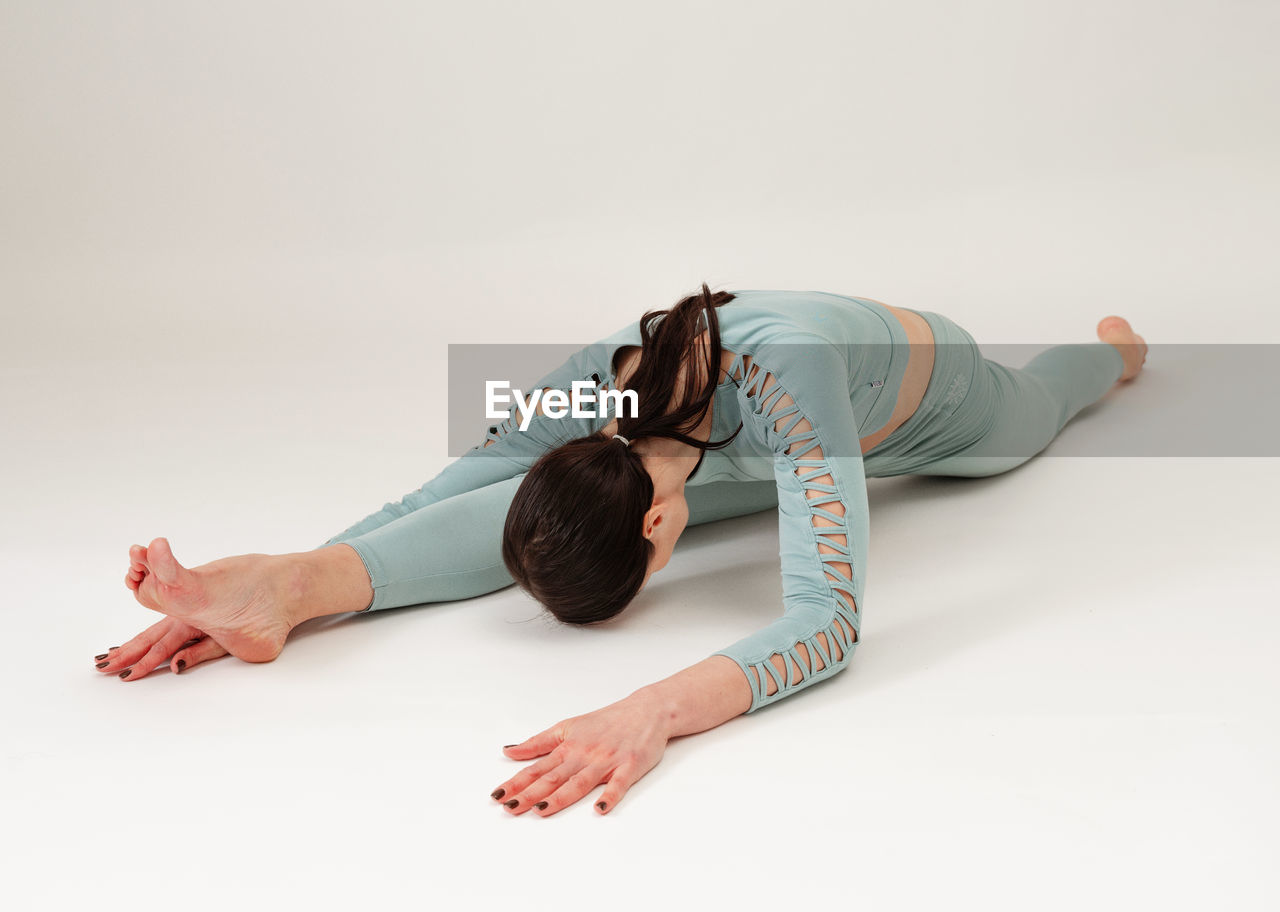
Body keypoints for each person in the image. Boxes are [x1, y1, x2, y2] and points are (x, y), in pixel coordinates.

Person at [92, 284, 1148, 817]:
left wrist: (650, 711)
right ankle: (293, 592)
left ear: (654, 530)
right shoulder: (601, 389)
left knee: (1043, 404)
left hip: (929, 406)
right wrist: (294, 568)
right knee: (496, 497)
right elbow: (460, 481)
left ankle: (1112, 351)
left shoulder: (792, 379)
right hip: (727, 447)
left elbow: (828, 620)